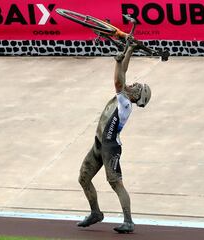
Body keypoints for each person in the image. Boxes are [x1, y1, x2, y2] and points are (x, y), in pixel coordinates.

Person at [77, 44, 151, 233]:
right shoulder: (125, 97)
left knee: (116, 183)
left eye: (137, 87)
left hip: (110, 147)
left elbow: (119, 80)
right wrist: (130, 51)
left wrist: (118, 61)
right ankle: (96, 213)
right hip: (99, 144)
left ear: (137, 96)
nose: (133, 84)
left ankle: (129, 221)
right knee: (84, 178)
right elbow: (123, 73)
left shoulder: (125, 102)